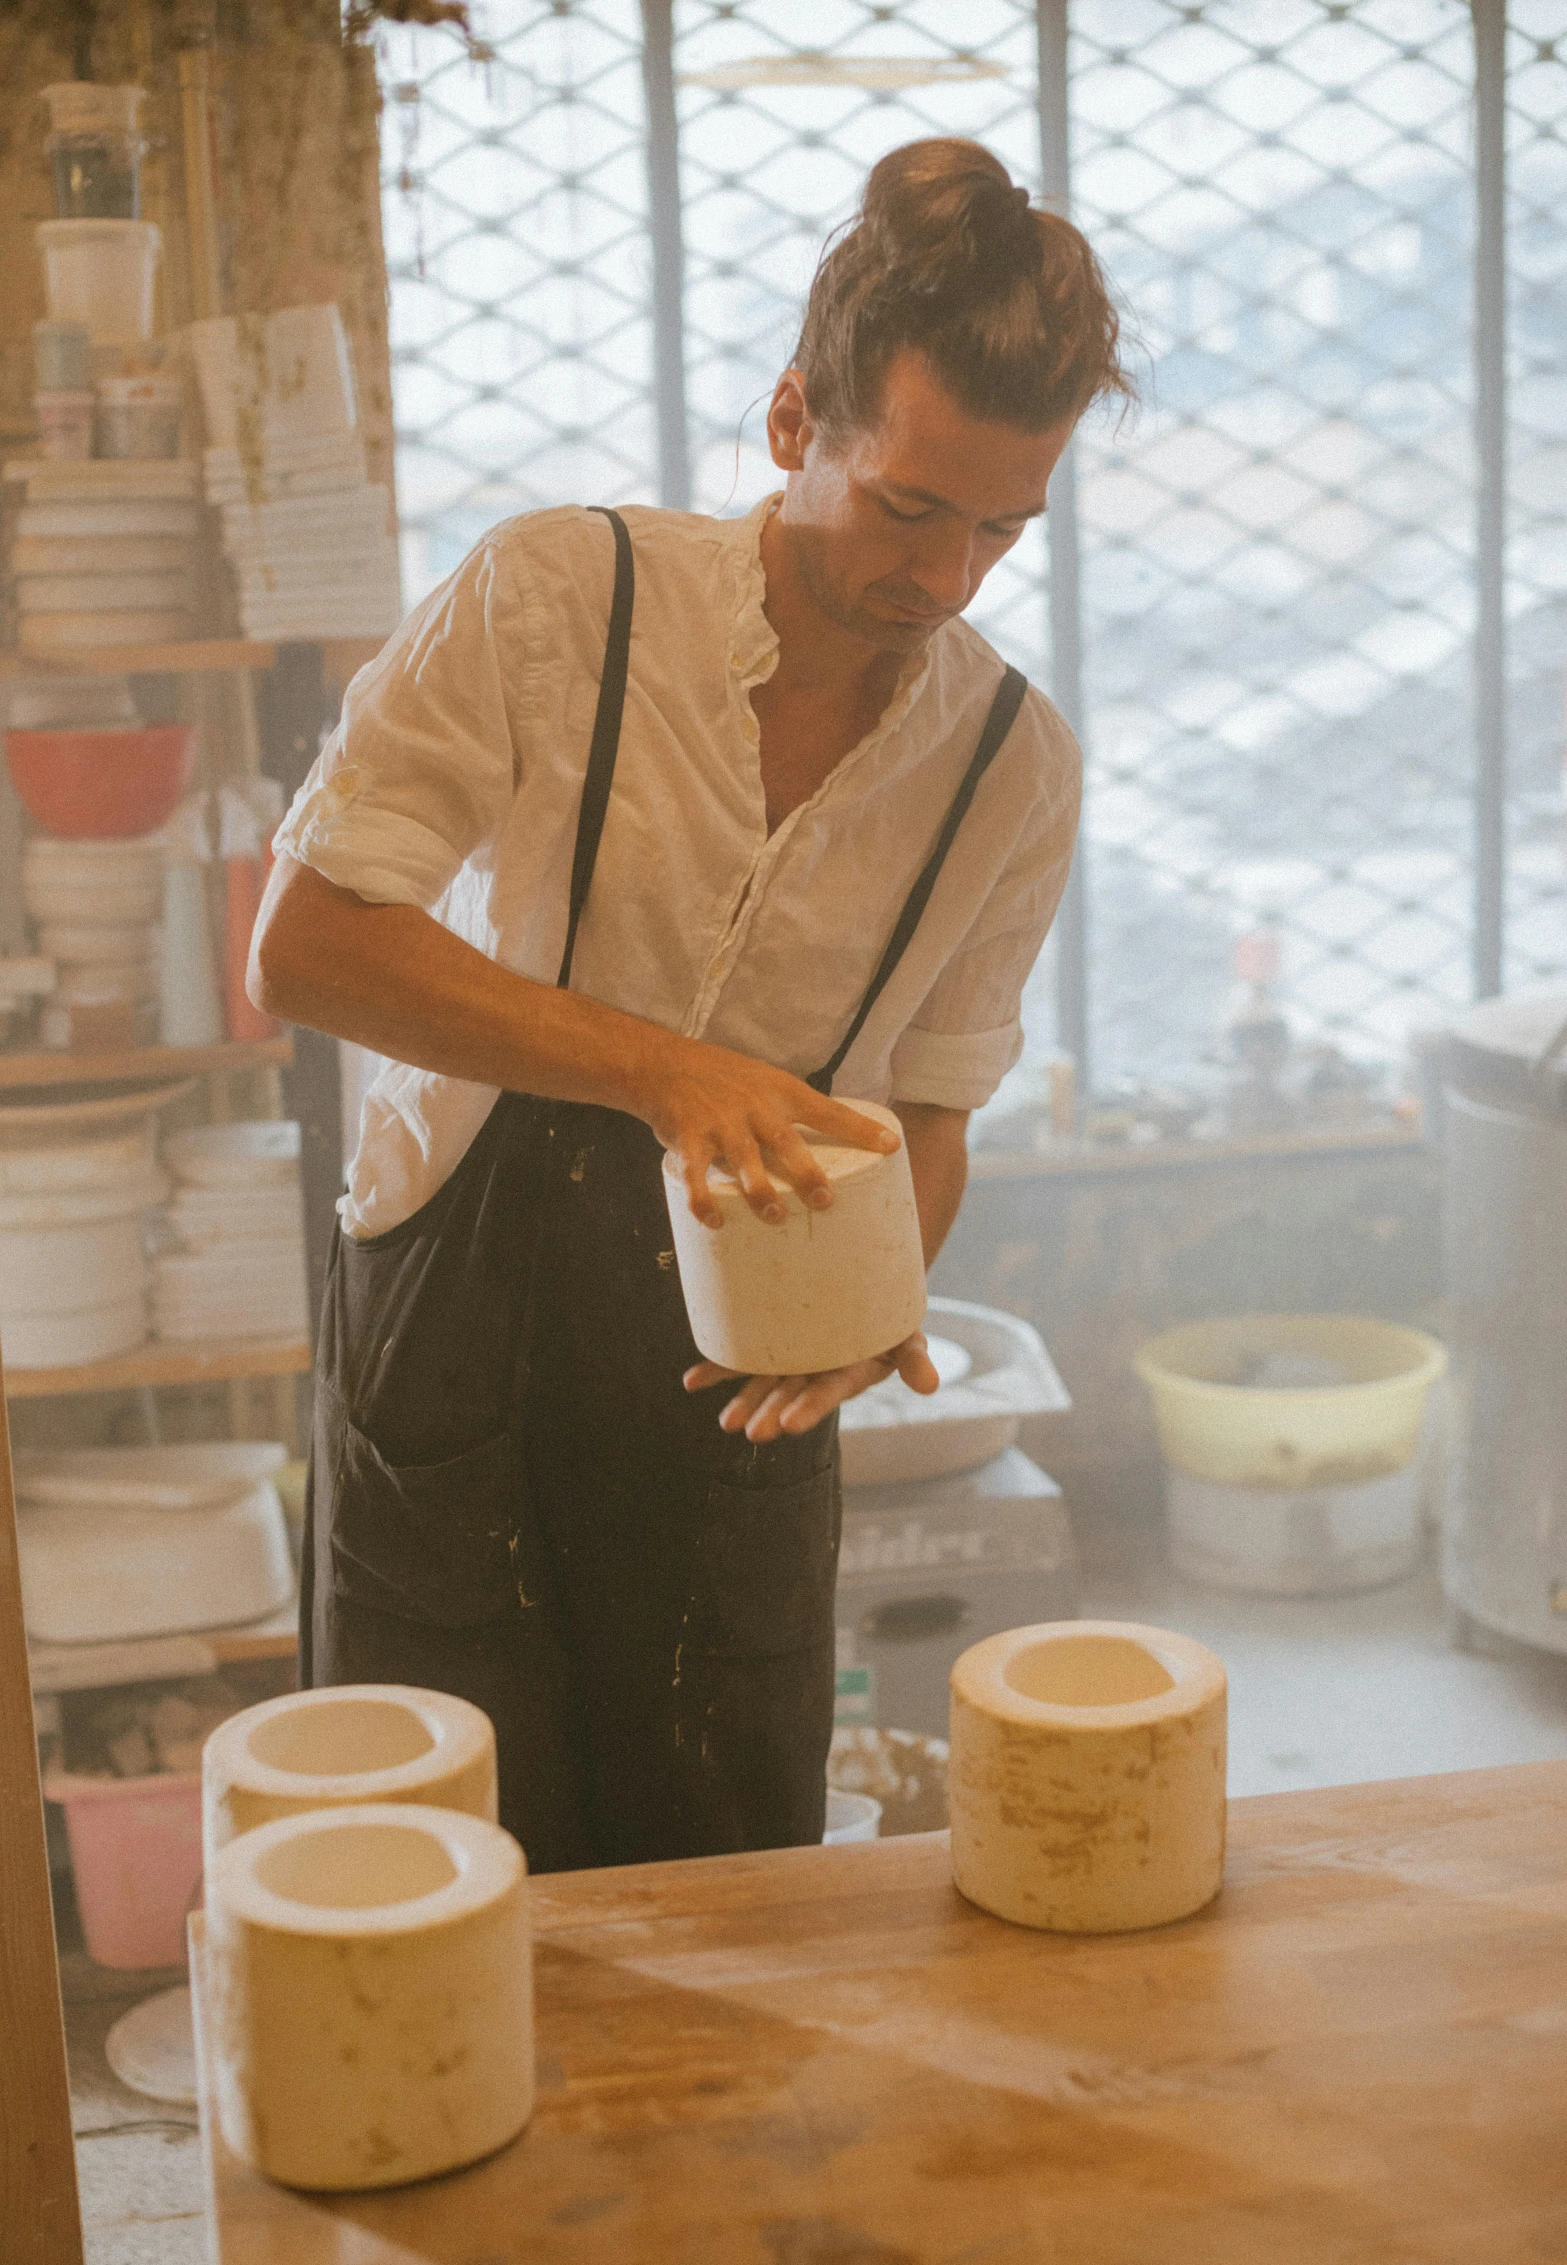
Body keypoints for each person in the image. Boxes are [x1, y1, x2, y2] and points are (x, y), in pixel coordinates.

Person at [251, 135, 1129, 1872]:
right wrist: (670, 1076)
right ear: (798, 421)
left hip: (733, 1359)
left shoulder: (1010, 767)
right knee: (439, 1859)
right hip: (452, 1318)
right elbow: (309, 947)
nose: (948, 576)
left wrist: (870, 1289)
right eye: (908, 507)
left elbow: (932, 1107)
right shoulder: (558, 594)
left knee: (724, 1879)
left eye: (998, 527)